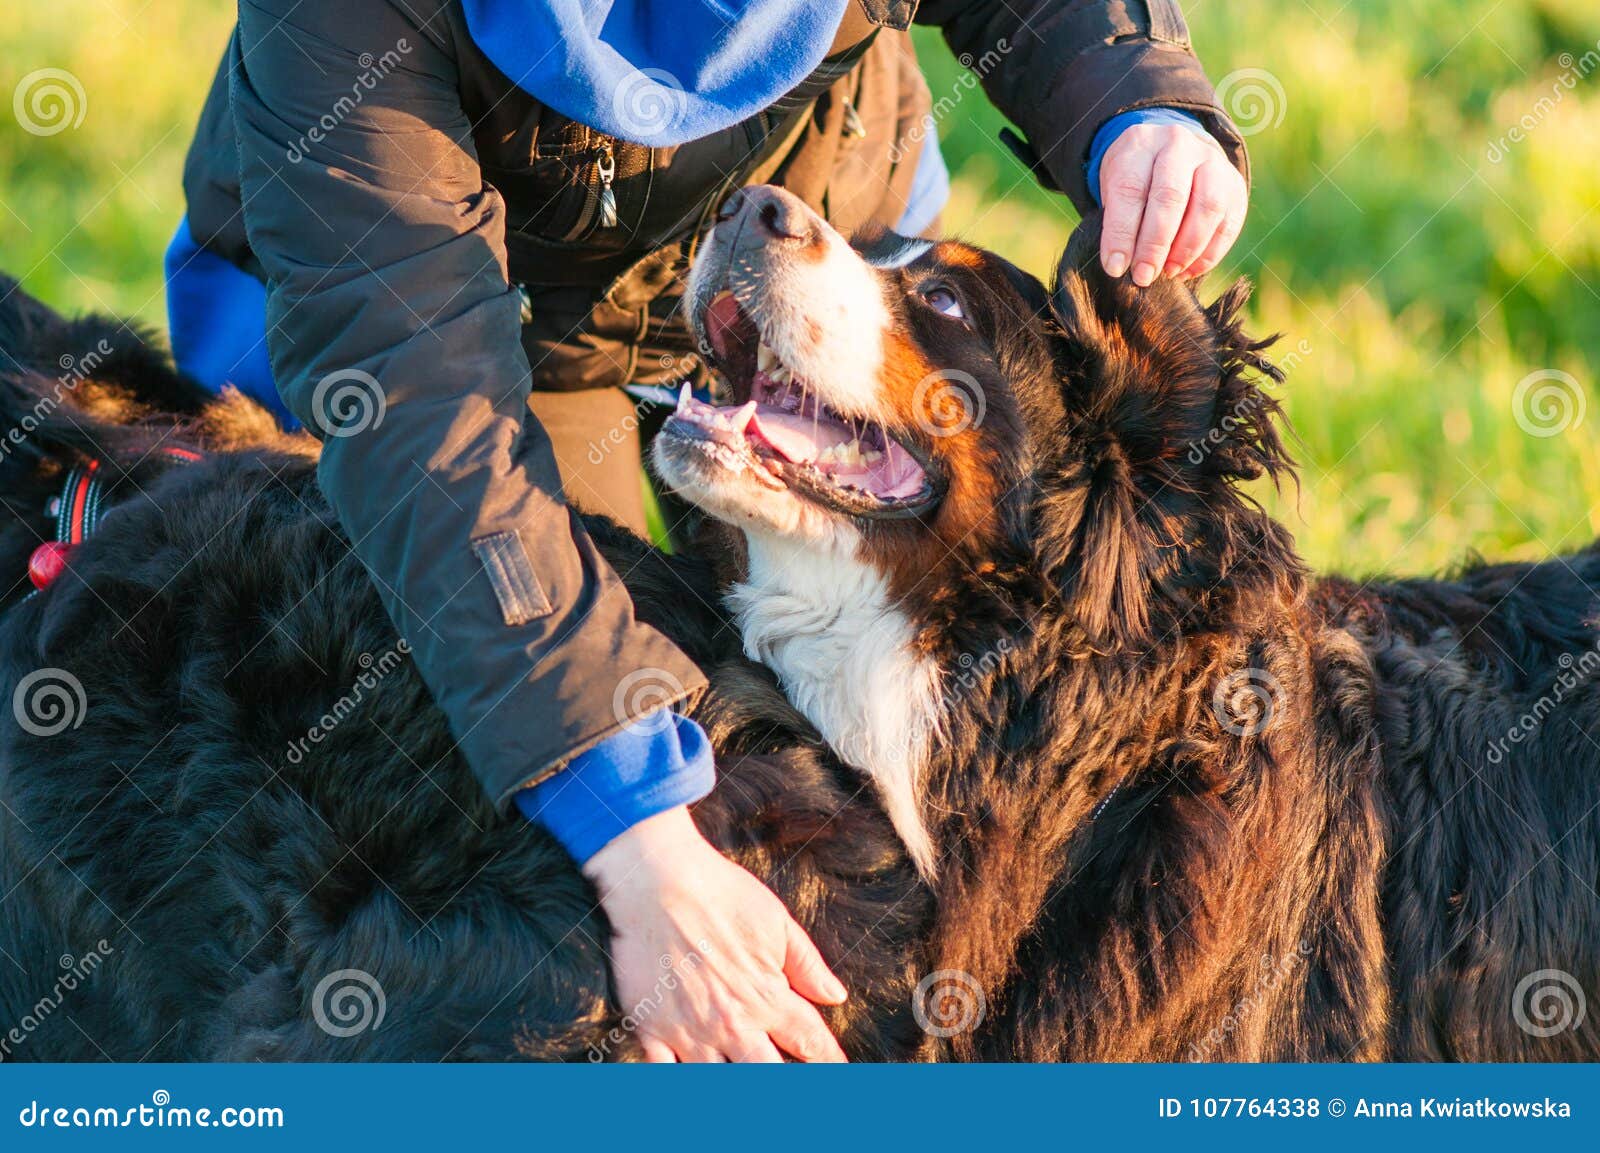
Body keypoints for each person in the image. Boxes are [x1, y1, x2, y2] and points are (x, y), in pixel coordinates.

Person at [166, 0, 1250, 1063]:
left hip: (768, 284)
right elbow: (426, 426)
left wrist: (1135, 98)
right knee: (471, 722)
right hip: (429, 345)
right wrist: (633, 834)